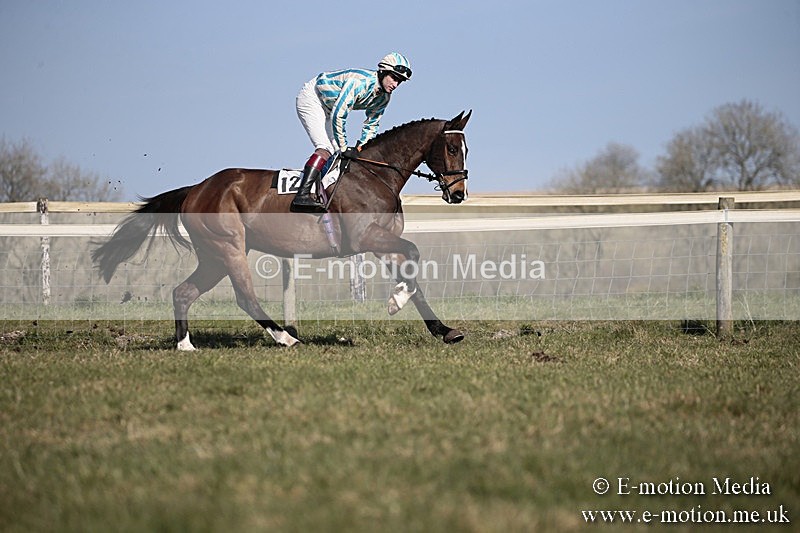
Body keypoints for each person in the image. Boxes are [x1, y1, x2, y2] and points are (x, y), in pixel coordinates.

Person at [291, 52, 412, 213]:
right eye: (394, 78)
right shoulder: (359, 82)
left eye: (400, 81)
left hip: (329, 109)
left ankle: (321, 194)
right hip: (313, 99)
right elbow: (339, 114)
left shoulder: (384, 98)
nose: (396, 85)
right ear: (383, 71)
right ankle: (302, 194)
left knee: (337, 155)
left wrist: (362, 149)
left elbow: (371, 125)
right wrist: (344, 147)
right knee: (325, 148)